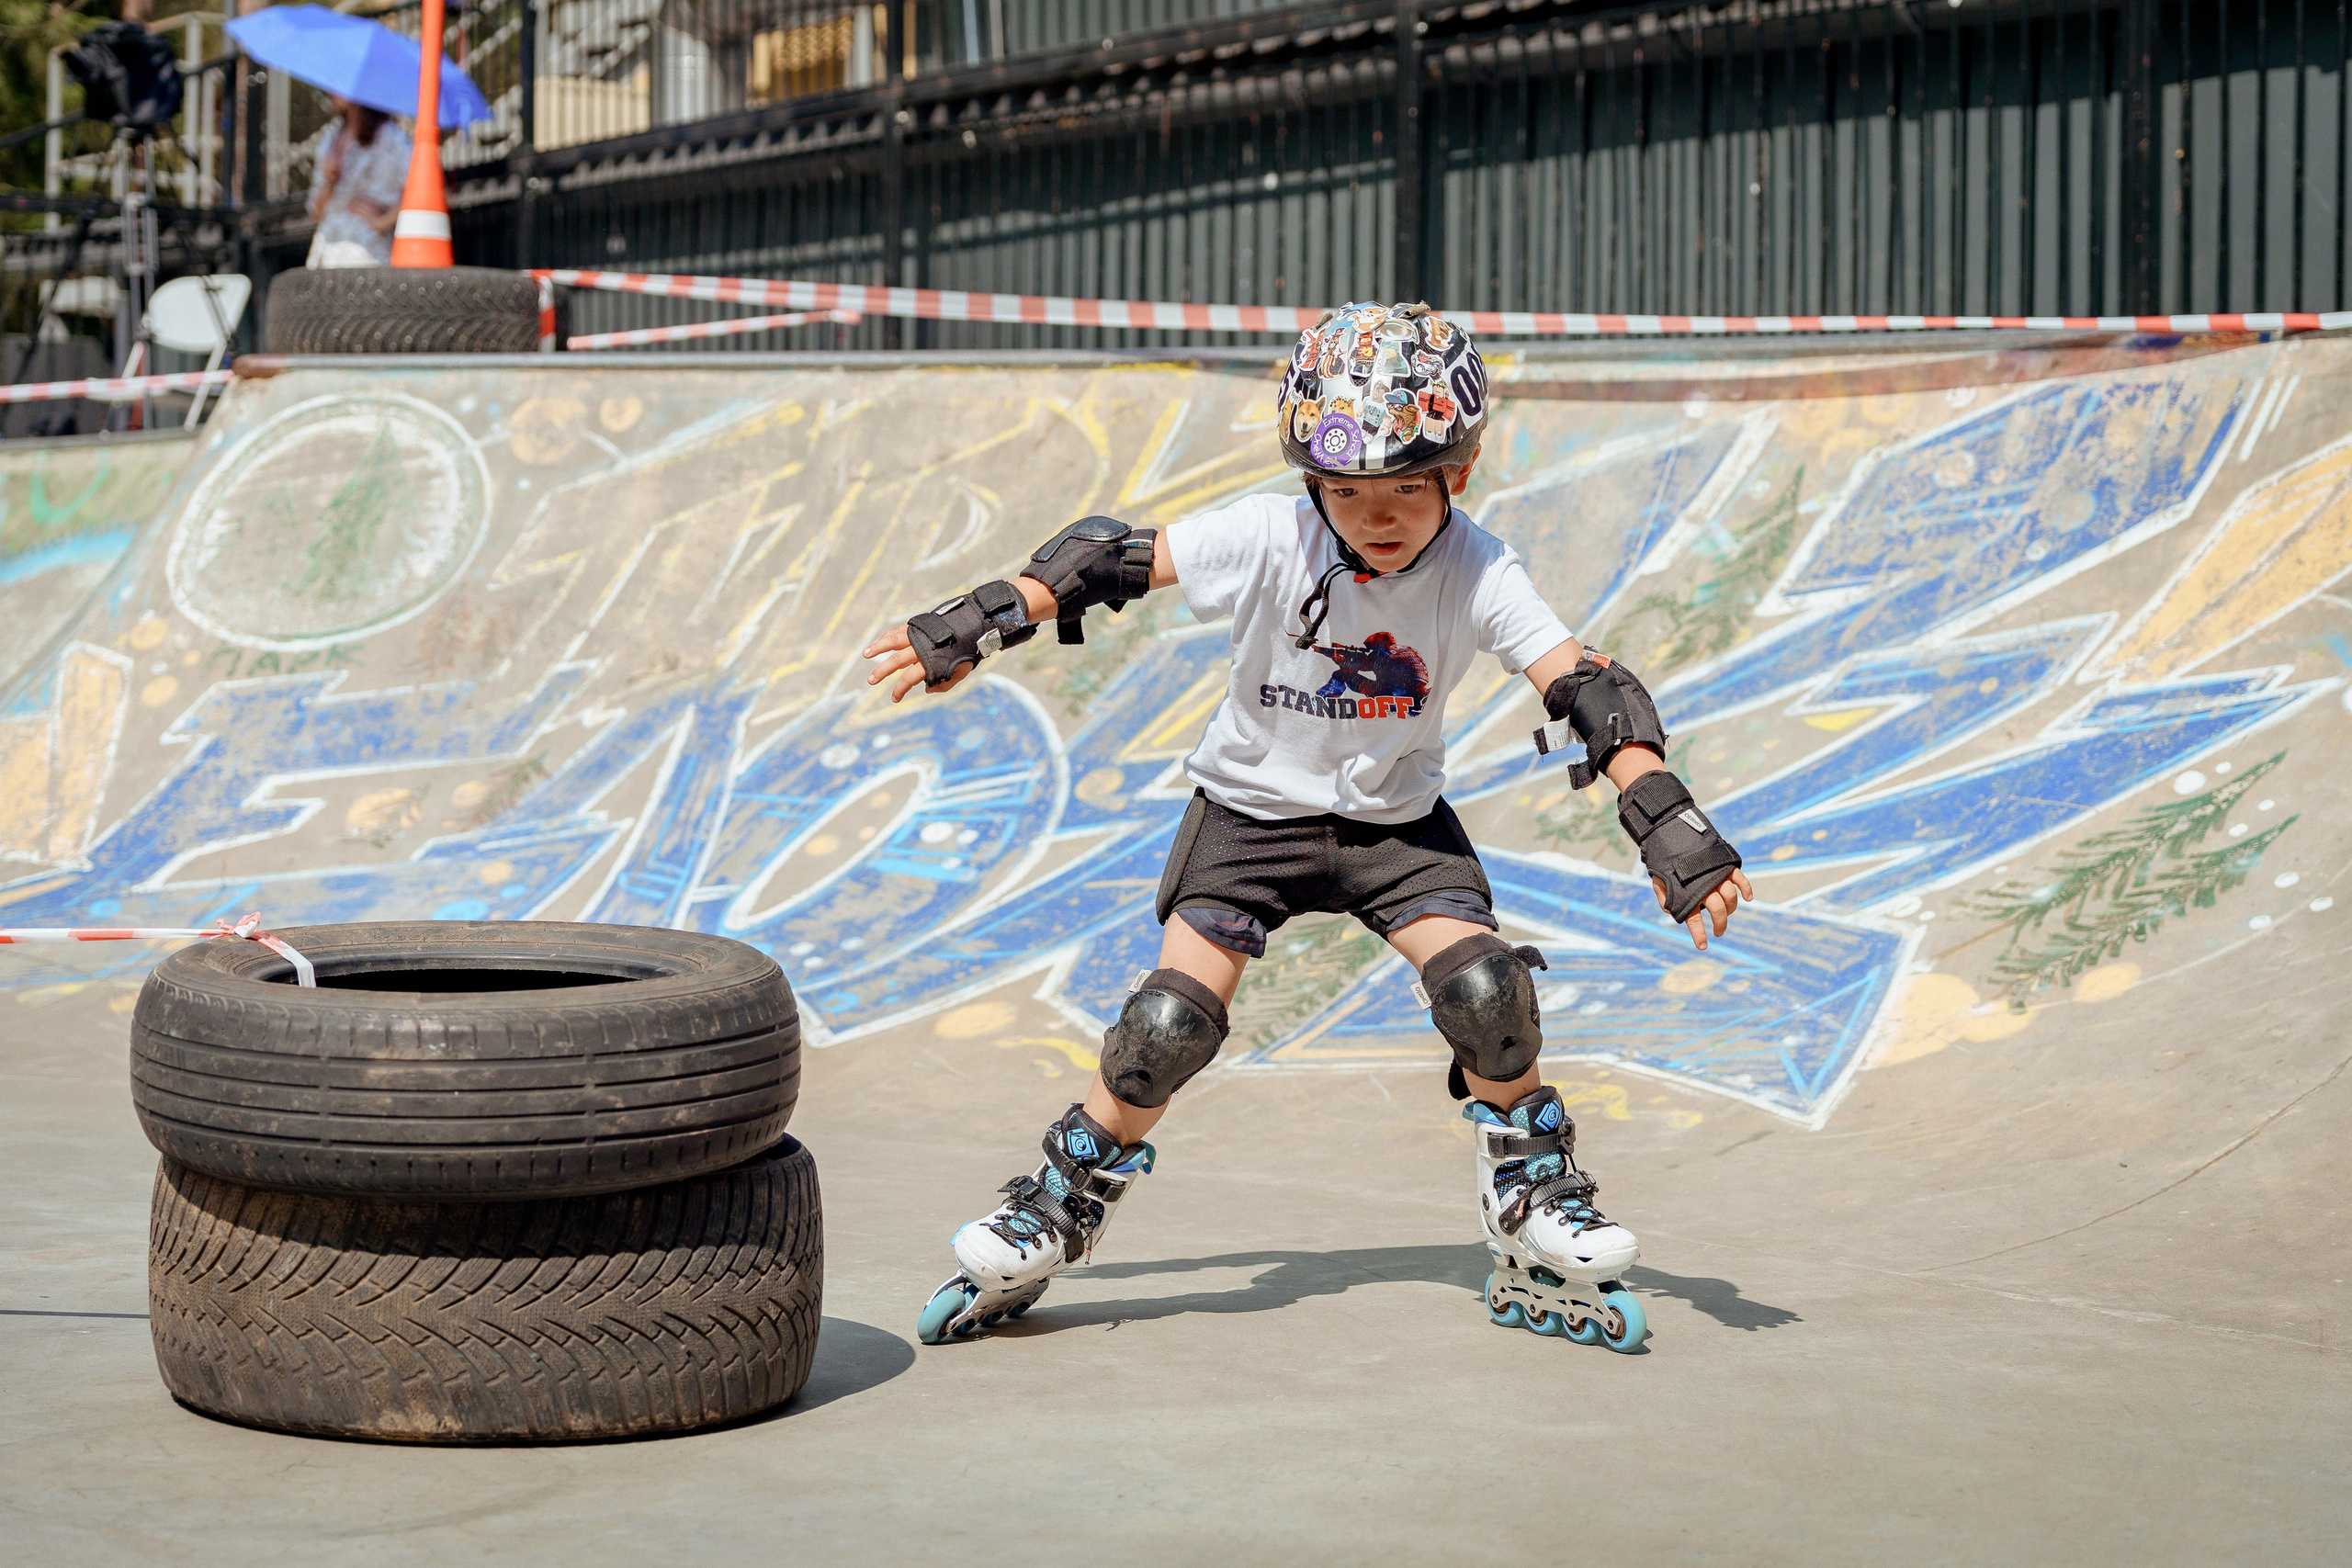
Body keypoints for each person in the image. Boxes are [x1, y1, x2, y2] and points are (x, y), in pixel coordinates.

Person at [862, 301, 1756, 1353]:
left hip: (1394, 832)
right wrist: (983, 618)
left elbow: (1588, 688)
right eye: (1345, 492)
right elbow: (1104, 561)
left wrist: (1669, 824)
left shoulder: (1480, 568)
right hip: (1249, 821)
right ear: (1310, 483)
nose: (1376, 517)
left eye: (1406, 490)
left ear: (1458, 472)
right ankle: (1057, 1204)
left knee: (1487, 994)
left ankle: (1530, 1194)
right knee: (1166, 1025)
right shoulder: (1267, 534)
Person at [304, 96, 411, 267]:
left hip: (368, 253)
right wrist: (330, 182)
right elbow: (316, 213)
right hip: (327, 253)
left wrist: (381, 223)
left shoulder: (392, 138)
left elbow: (417, 195)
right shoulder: (330, 138)